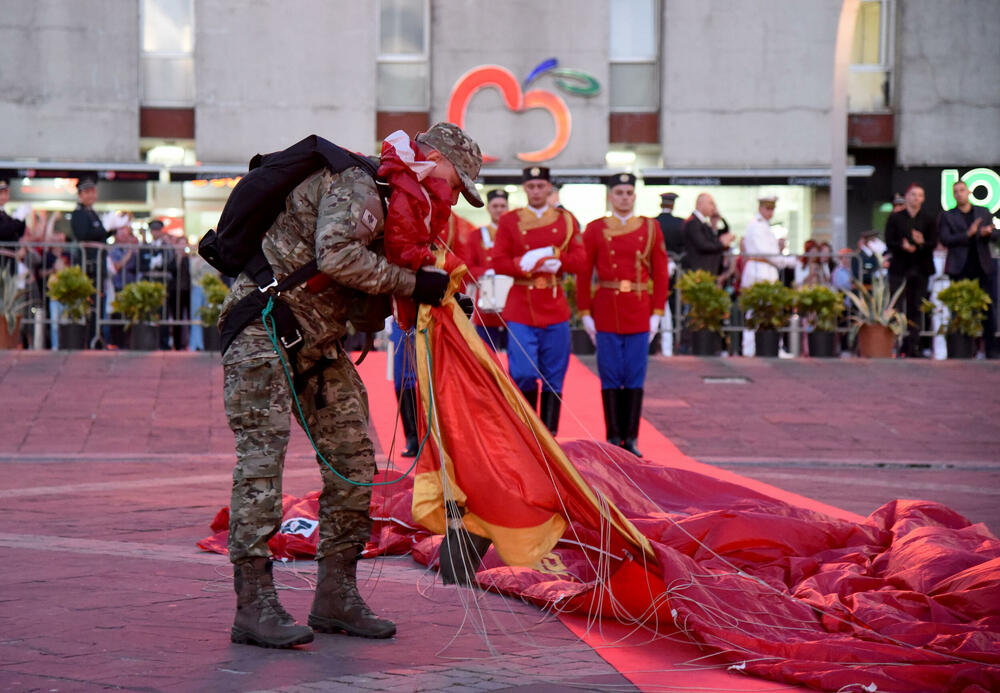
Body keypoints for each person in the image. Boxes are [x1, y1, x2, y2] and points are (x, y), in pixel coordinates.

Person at [218, 122, 480, 648]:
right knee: (262, 461)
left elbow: (379, 278)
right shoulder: (362, 184)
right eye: (458, 181)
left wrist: (440, 299)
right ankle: (253, 604)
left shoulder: (405, 208)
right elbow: (337, 255)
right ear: (434, 160)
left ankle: (336, 595)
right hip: (263, 326)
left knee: (355, 460)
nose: (456, 196)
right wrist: (414, 284)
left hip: (317, 341)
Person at [577, 173, 668, 456]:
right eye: (619, 192)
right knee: (611, 373)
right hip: (606, 307)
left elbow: (661, 272)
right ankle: (613, 436)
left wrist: (657, 311)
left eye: (629, 192)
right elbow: (583, 272)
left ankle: (632, 439)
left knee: (635, 374)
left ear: (635, 196)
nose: (624, 197)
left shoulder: (651, 228)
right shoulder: (594, 229)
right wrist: (585, 311)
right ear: (610, 196)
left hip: (639, 307)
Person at [492, 166, 585, 435]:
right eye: (531, 186)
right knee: (522, 372)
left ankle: (550, 436)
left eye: (540, 186)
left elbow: (580, 261)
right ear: (524, 189)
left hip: (555, 304)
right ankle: (527, 432)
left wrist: (559, 260)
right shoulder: (510, 221)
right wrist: (523, 264)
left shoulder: (566, 220)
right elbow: (499, 262)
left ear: (549, 188)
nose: (535, 191)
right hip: (522, 303)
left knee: (554, 376)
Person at [939, 179, 999, 358]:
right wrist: (968, 234)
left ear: (969, 192)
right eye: (956, 191)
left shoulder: (983, 212)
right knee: (960, 310)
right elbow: (945, 239)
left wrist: (987, 233)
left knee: (988, 309)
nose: (959, 194)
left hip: (983, 267)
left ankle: (991, 350)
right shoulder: (948, 215)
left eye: (962, 190)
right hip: (960, 268)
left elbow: (995, 234)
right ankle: (963, 350)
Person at [739, 195, 797, 356]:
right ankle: (750, 348)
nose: (770, 212)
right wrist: (786, 262)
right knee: (757, 310)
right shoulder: (757, 226)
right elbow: (768, 253)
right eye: (768, 208)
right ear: (761, 208)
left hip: (764, 269)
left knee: (767, 310)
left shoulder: (762, 225)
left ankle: (765, 348)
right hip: (760, 270)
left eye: (772, 208)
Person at [885, 183, 937, 357]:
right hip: (899, 269)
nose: (916, 198)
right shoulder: (895, 218)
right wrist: (903, 246)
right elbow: (889, 241)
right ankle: (897, 344)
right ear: (907, 197)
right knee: (897, 307)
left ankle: (914, 345)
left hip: (920, 269)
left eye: (919, 195)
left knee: (916, 307)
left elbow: (933, 243)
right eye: (913, 195)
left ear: (923, 199)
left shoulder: (928, 219)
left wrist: (920, 243)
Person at [464, 189, 510, 350]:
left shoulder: (516, 234)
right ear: (488, 208)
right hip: (487, 307)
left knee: (516, 360)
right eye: (495, 206)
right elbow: (467, 269)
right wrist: (485, 274)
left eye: (503, 206)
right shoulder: (476, 236)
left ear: (508, 208)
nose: (499, 209)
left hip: (512, 306)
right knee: (486, 357)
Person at [69, 176, 111, 346]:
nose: (91, 195)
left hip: (97, 263)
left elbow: (99, 235)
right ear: (80, 195)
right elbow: (84, 235)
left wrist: (110, 230)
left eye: (93, 191)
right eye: (87, 192)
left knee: (98, 302)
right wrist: (105, 229)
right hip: (89, 264)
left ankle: (96, 337)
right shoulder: (79, 213)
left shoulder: (92, 212)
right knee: (89, 304)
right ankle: (88, 339)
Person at [681, 193, 733, 275]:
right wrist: (721, 243)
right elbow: (703, 245)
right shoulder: (693, 222)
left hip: (706, 271)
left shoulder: (702, 223)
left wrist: (720, 217)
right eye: (711, 203)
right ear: (701, 204)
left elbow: (723, 232)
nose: (713, 207)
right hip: (698, 272)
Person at [0, 179, 28, 275]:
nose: (4, 196)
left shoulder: (4, 213)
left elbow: (18, 232)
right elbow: (4, 231)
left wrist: (22, 218)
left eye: (6, 192)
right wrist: (18, 220)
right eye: (1, 193)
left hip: (8, 261)